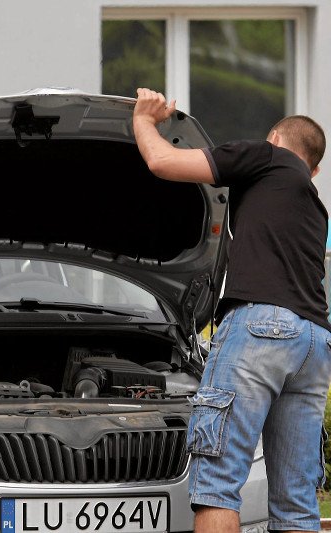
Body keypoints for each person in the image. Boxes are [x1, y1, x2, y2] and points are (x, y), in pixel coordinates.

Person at [133, 87, 329, 533]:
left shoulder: (267, 156)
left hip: (262, 329)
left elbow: (162, 162)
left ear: (274, 140)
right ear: (314, 170)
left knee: (217, 485)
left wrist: (143, 120)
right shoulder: (315, 209)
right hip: (315, 343)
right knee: (297, 505)